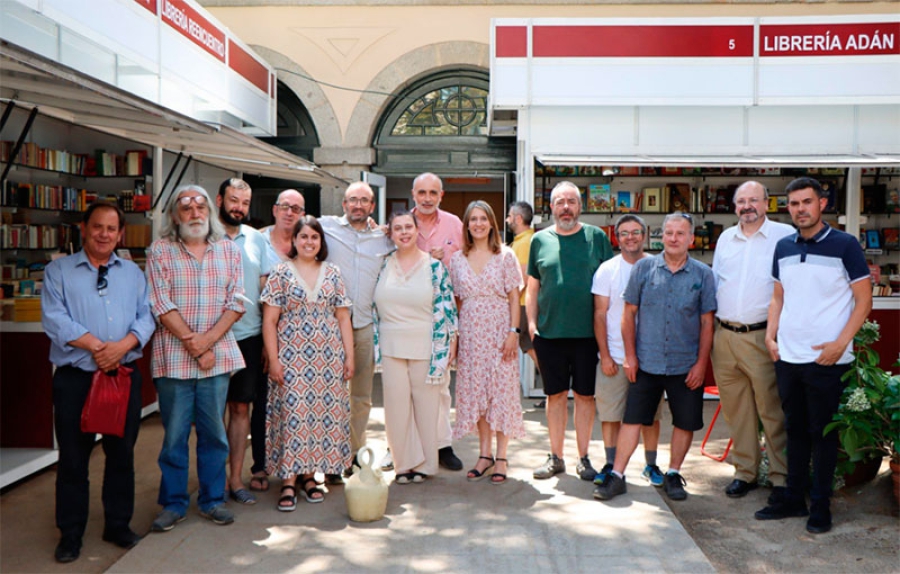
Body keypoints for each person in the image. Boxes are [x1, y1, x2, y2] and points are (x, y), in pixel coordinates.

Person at [754, 177, 871, 534]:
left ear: (822, 203)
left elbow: (863, 300)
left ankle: (820, 506)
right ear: (787, 208)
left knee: (823, 434)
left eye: (807, 202)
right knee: (795, 429)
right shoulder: (783, 247)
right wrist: (770, 336)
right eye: (793, 204)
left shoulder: (845, 245)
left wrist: (840, 344)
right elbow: (778, 296)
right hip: (788, 357)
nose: (800, 209)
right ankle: (793, 498)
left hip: (827, 359)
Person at [41, 202, 155, 563]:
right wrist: (96, 346)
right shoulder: (58, 271)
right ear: (84, 228)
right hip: (76, 379)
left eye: (111, 228)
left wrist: (122, 347)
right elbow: (55, 319)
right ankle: (70, 534)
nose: (104, 234)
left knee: (121, 455)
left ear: (120, 233)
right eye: (97, 227)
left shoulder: (134, 274)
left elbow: (146, 316)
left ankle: (117, 525)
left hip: (122, 376)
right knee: (74, 460)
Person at [593, 212, 715, 502]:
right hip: (646, 362)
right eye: (669, 233)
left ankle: (673, 474)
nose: (673, 239)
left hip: (685, 365)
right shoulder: (644, 269)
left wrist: (701, 364)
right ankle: (618, 475)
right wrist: (631, 357)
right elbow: (628, 315)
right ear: (661, 236)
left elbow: (707, 322)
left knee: (684, 422)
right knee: (632, 420)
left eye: (680, 233)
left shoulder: (703, 274)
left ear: (690, 238)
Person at [146, 184, 245, 531]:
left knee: (214, 433)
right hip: (173, 359)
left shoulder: (229, 250)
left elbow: (237, 303)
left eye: (200, 206)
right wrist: (195, 344)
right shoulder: (160, 251)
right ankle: (173, 504)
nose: (194, 213)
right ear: (174, 215)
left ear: (210, 212)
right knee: (174, 436)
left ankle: (212, 499)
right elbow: (160, 303)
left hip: (216, 358)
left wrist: (207, 343)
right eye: (185, 207)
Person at [260, 216, 354, 509]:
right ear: (295, 241)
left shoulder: (333, 273)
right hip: (292, 358)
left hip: (327, 359)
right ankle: (288, 481)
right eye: (304, 237)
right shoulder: (280, 273)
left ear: (320, 242)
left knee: (319, 414)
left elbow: (342, 317)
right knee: (294, 414)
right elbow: (270, 320)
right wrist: (273, 360)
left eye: (314, 237)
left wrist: (349, 356)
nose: (309, 242)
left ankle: (310, 477)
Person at [711, 181, 794, 500]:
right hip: (725, 336)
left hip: (763, 335)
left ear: (767, 203)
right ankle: (745, 472)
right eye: (741, 201)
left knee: (771, 410)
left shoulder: (783, 236)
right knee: (736, 410)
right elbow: (717, 283)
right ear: (734, 206)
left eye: (754, 200)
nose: (747, 206)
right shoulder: (725, 239)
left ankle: (780, 476)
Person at [526, 181, 613, 481]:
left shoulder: (597, 238)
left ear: (580, 206)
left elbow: (609, 287)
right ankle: (556, 457)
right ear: (550, 207)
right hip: (550, 334)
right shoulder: (539, 241)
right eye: (560, 202)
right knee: (556, 396)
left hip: (588, 336)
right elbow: (532, 288)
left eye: (571, 201)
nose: (566, 207)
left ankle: (584, 457)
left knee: (586, 396)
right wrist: (532, 325)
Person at [373, 210, 458, 484]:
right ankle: (403, 465)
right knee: (397, 408)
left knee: (426, 406)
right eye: (398, 228)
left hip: (426, 345)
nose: (404, 232)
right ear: (391, 234)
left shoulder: (434, 266)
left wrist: (450, 346)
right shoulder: (382, 264)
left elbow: (447, 309)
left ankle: (424, 464)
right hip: (391, 345)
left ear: (415, 230)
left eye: (408, 227)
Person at [320, 182, 395, 480]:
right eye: (353, 200)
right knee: (327, 395)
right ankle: (327, 458)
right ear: (343, 204)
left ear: (372, 206)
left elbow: (411, 245)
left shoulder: (383, 238)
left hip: (362, 326)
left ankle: (350, 456)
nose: (358, 205)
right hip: (326, 328)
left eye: (364, 200)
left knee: (361, 396)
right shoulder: (324, 227)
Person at [450, 201, 525, 485]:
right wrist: (457, 338)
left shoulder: (505, 256)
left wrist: (513, 331)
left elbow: (514, 297)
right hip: (471, 333)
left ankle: (502, 456)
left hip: (499, 331)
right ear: (467, 225)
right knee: (478, 393)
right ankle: (484, 454)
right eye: (473, 220)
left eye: (483, 219)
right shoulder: (457, 258)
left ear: (493, 223)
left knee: (501, 393)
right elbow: (457, 301)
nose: (478, 224)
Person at [591, 214, 665, 489]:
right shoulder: (607, 270)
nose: (630, 237)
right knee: (610, 415)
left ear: (644, 235)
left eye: (635, 232)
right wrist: (606, 355)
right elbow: (600, 314)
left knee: (651, 417)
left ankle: (651, 464)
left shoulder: (658, 266)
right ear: (616, 238)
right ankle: (611, 464)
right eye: (624, 233)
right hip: (615, 357)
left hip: (650, 359)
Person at [215, 178, 273, 503]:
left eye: (245, 203)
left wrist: (267, 341)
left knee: (240, 408)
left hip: (248, 337)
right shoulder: (204, 236)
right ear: (220, 199)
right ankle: (215, 479)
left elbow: (265, 290)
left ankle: (235, 479)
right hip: (212, 339)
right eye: (233, 200)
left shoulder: (256, 239)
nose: (239, 207)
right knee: (212, 412)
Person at [410, 172, 464, 472]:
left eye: (433, 193)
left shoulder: (454, 224)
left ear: (441, 195)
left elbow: (467, 262)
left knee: (441, 385)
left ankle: (443, 445)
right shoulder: (403, 224)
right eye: (422, 193)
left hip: (443, 315)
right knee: (408, 387)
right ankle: (405, 447)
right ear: (413, 194)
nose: (427, 198)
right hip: (410, 315)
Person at [506, 201, 543, 408]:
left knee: (530, 348)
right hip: (525, 302)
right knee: (530, 348)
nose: (508, 220)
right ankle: (552, 390)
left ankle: (553, 389)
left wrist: (508, 303)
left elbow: (521, 278)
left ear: (519, 219)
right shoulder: (528, 240)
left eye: (510, 216)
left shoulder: (523, 243)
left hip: (521, 304)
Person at [263, 189, 306, 262]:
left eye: (295, 209)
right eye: (284, 206)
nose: (289, 213)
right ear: (275, 210)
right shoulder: (258, 241)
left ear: (302, 215)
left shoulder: (308, 246)